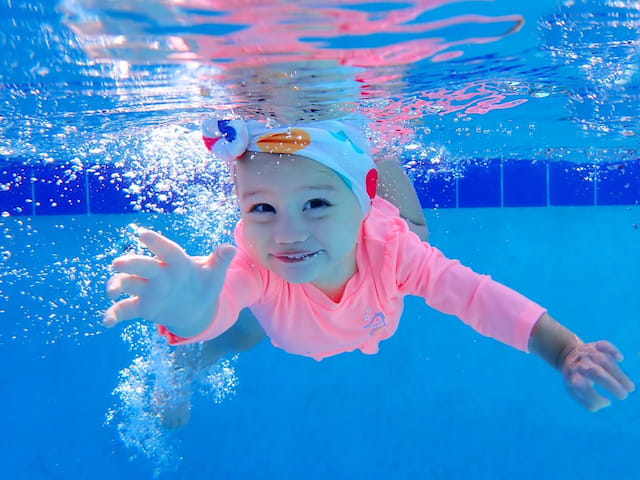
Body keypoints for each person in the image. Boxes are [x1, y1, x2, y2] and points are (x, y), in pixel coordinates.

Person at [104, 116, 635, 429]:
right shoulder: (254, 264)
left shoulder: (394, 250)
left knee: (411, 236)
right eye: (260, 209)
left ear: (360, 207)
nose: (287, 233)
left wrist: (563, 348)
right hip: (284, 308)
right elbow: (214, 303)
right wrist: (188, 310)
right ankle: (184, 365)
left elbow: (475, 296)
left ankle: (367, 148)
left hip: (377, 242)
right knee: (238, 332)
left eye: (314, 204)